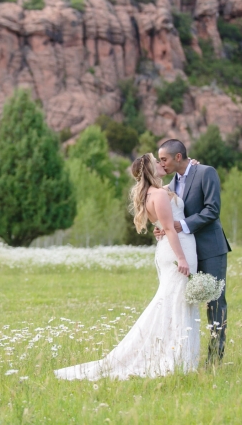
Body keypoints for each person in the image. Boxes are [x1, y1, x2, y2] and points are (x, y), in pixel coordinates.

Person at [54, 153, 200, 380]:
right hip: (176, 250)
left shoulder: (156, 191)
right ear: (151, 170)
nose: (162, 164)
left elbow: (167, 214)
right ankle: (174, 355)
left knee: (175, 299)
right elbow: (170, 228)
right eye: (157, 162)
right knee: (174, 300)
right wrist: (181, 258)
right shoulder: (159, 194)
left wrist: (191, 166)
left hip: (171, 248)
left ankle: (178, 351)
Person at [156, 139, 230, 364]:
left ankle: (215, 358)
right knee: (181, 301)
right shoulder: (170, 184)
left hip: (210, 248)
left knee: (215, 301)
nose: (162, 164)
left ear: (178, 157)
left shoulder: (206, 173)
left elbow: (212, 209)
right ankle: (181, 355)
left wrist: (181, 225)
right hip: (187, 252)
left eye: (164, 159)